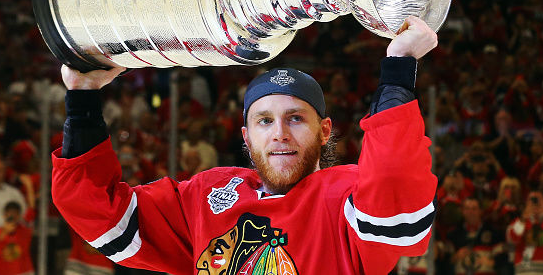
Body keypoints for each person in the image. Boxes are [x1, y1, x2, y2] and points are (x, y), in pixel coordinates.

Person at [51, 16, 438, 275]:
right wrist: (82, 98)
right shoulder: (207, 197)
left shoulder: (345, 201)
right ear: (246, 136)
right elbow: (102, 213)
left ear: (325, 131)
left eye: (296, 118)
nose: (280, 134)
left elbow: (394, 191)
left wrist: (398, 67)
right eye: (264, 121)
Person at [0, 201, 34, 275]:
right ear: (4, 215)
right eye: (10, 213)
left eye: (15, 213)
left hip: (25, 271)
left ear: (19, 215)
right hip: (4, 272)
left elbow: (31, 211)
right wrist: (4, 232)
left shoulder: (25, 229)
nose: (12, 216)